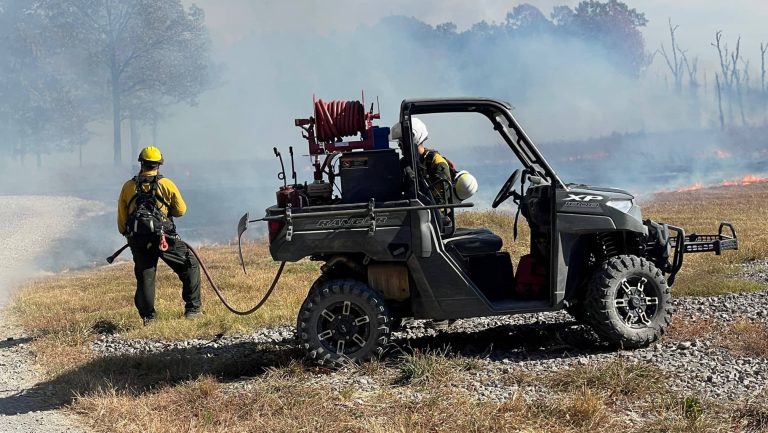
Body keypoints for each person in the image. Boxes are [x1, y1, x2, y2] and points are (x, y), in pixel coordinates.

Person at [117, 146, 202, 325]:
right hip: (165, 239)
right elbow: (181, 211)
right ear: (159, 164)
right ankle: (193, 309)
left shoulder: (128, 186)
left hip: (139, 240)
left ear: (141, 163)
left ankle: (149, 318)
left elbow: (122, 219)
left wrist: (129, 236)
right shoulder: (166, 184)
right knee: (190, 265)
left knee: (145, 276)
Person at [390, 117, 477, 205]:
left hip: (433, 216)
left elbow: (440, 201)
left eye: (401, 141)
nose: (399, 146)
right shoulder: (405, 163)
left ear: (414, 138)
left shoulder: (436, 162)